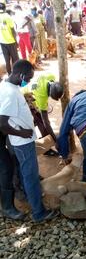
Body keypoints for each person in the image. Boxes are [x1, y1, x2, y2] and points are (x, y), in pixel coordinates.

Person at [0, 59, 58, 222]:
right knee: (30, 175)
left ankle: (27, 196)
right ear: (20, 75)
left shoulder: (8, 85)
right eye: (28, 78)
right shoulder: (10, 93)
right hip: (22, 142)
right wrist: (22, 132)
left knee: (24, 171)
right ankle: (39, 213)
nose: (29, 81)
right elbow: (3, 124)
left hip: (19, 140)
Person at [31, 74, 63, 147]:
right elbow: (46, 123)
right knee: (41, 122)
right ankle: (46, 148)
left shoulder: (51, 77)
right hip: (26, 98)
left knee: (39, 119)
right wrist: (56, 140)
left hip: (33, 91)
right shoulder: (42, 97)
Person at [0, 2, 19, 75]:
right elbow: (13, 30)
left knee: (7, 60)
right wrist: (16, 41)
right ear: (4, 8)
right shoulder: (8, 17)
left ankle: (9, 73)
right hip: (11, 41)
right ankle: (15, 73)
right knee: (15, 58)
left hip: (2, 42)